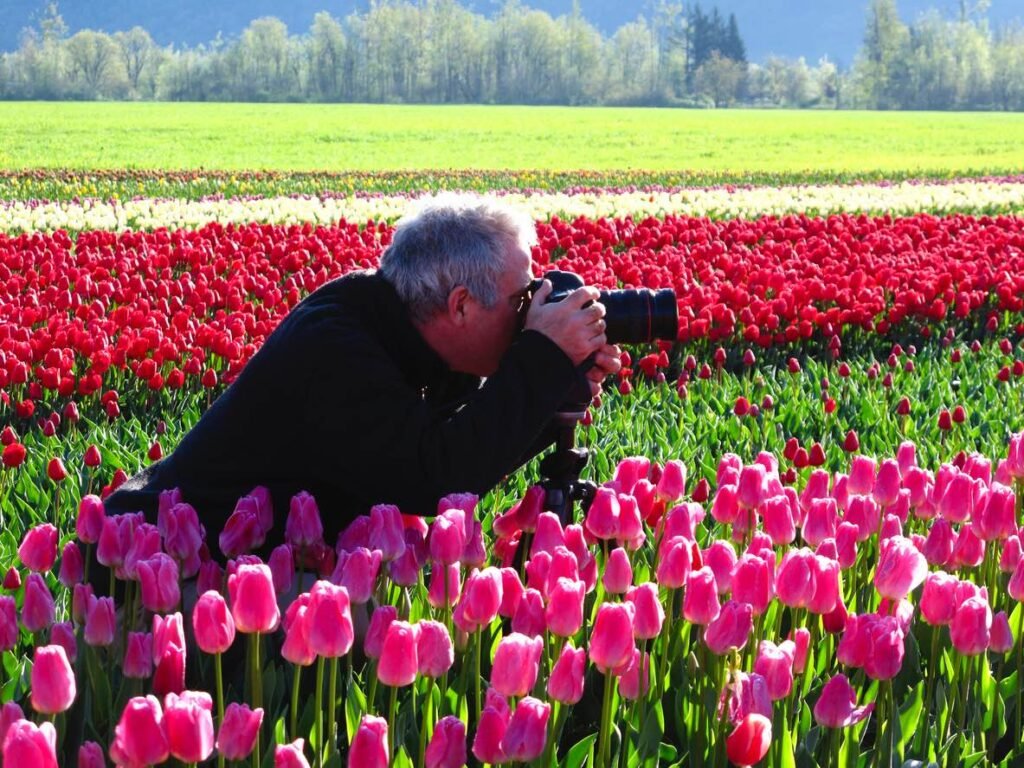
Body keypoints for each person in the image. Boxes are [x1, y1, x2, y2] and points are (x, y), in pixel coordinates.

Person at [102, 194, 622, 556]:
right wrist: (540, 360)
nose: (528, 312)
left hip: (243, 554)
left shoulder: (398, 324)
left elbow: (466, 443)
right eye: (520, 299)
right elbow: (434, 478)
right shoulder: (336, 349)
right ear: (460, 305)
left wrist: (552, 389)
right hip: (161, 562)